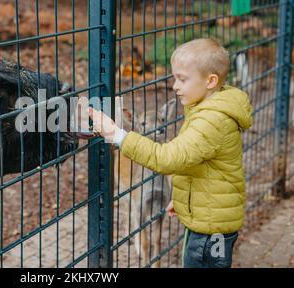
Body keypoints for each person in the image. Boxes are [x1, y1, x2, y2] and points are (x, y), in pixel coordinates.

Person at [88, 38, 253, 268]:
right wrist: (185, 198)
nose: (174, 86)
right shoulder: (209, 110)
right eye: (175, 78)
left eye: (182, 79)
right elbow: (200, 163)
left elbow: (168, 158)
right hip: (209, 220)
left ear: (210, 81)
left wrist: (118, 136)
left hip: (210, 231)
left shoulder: (211, 120)